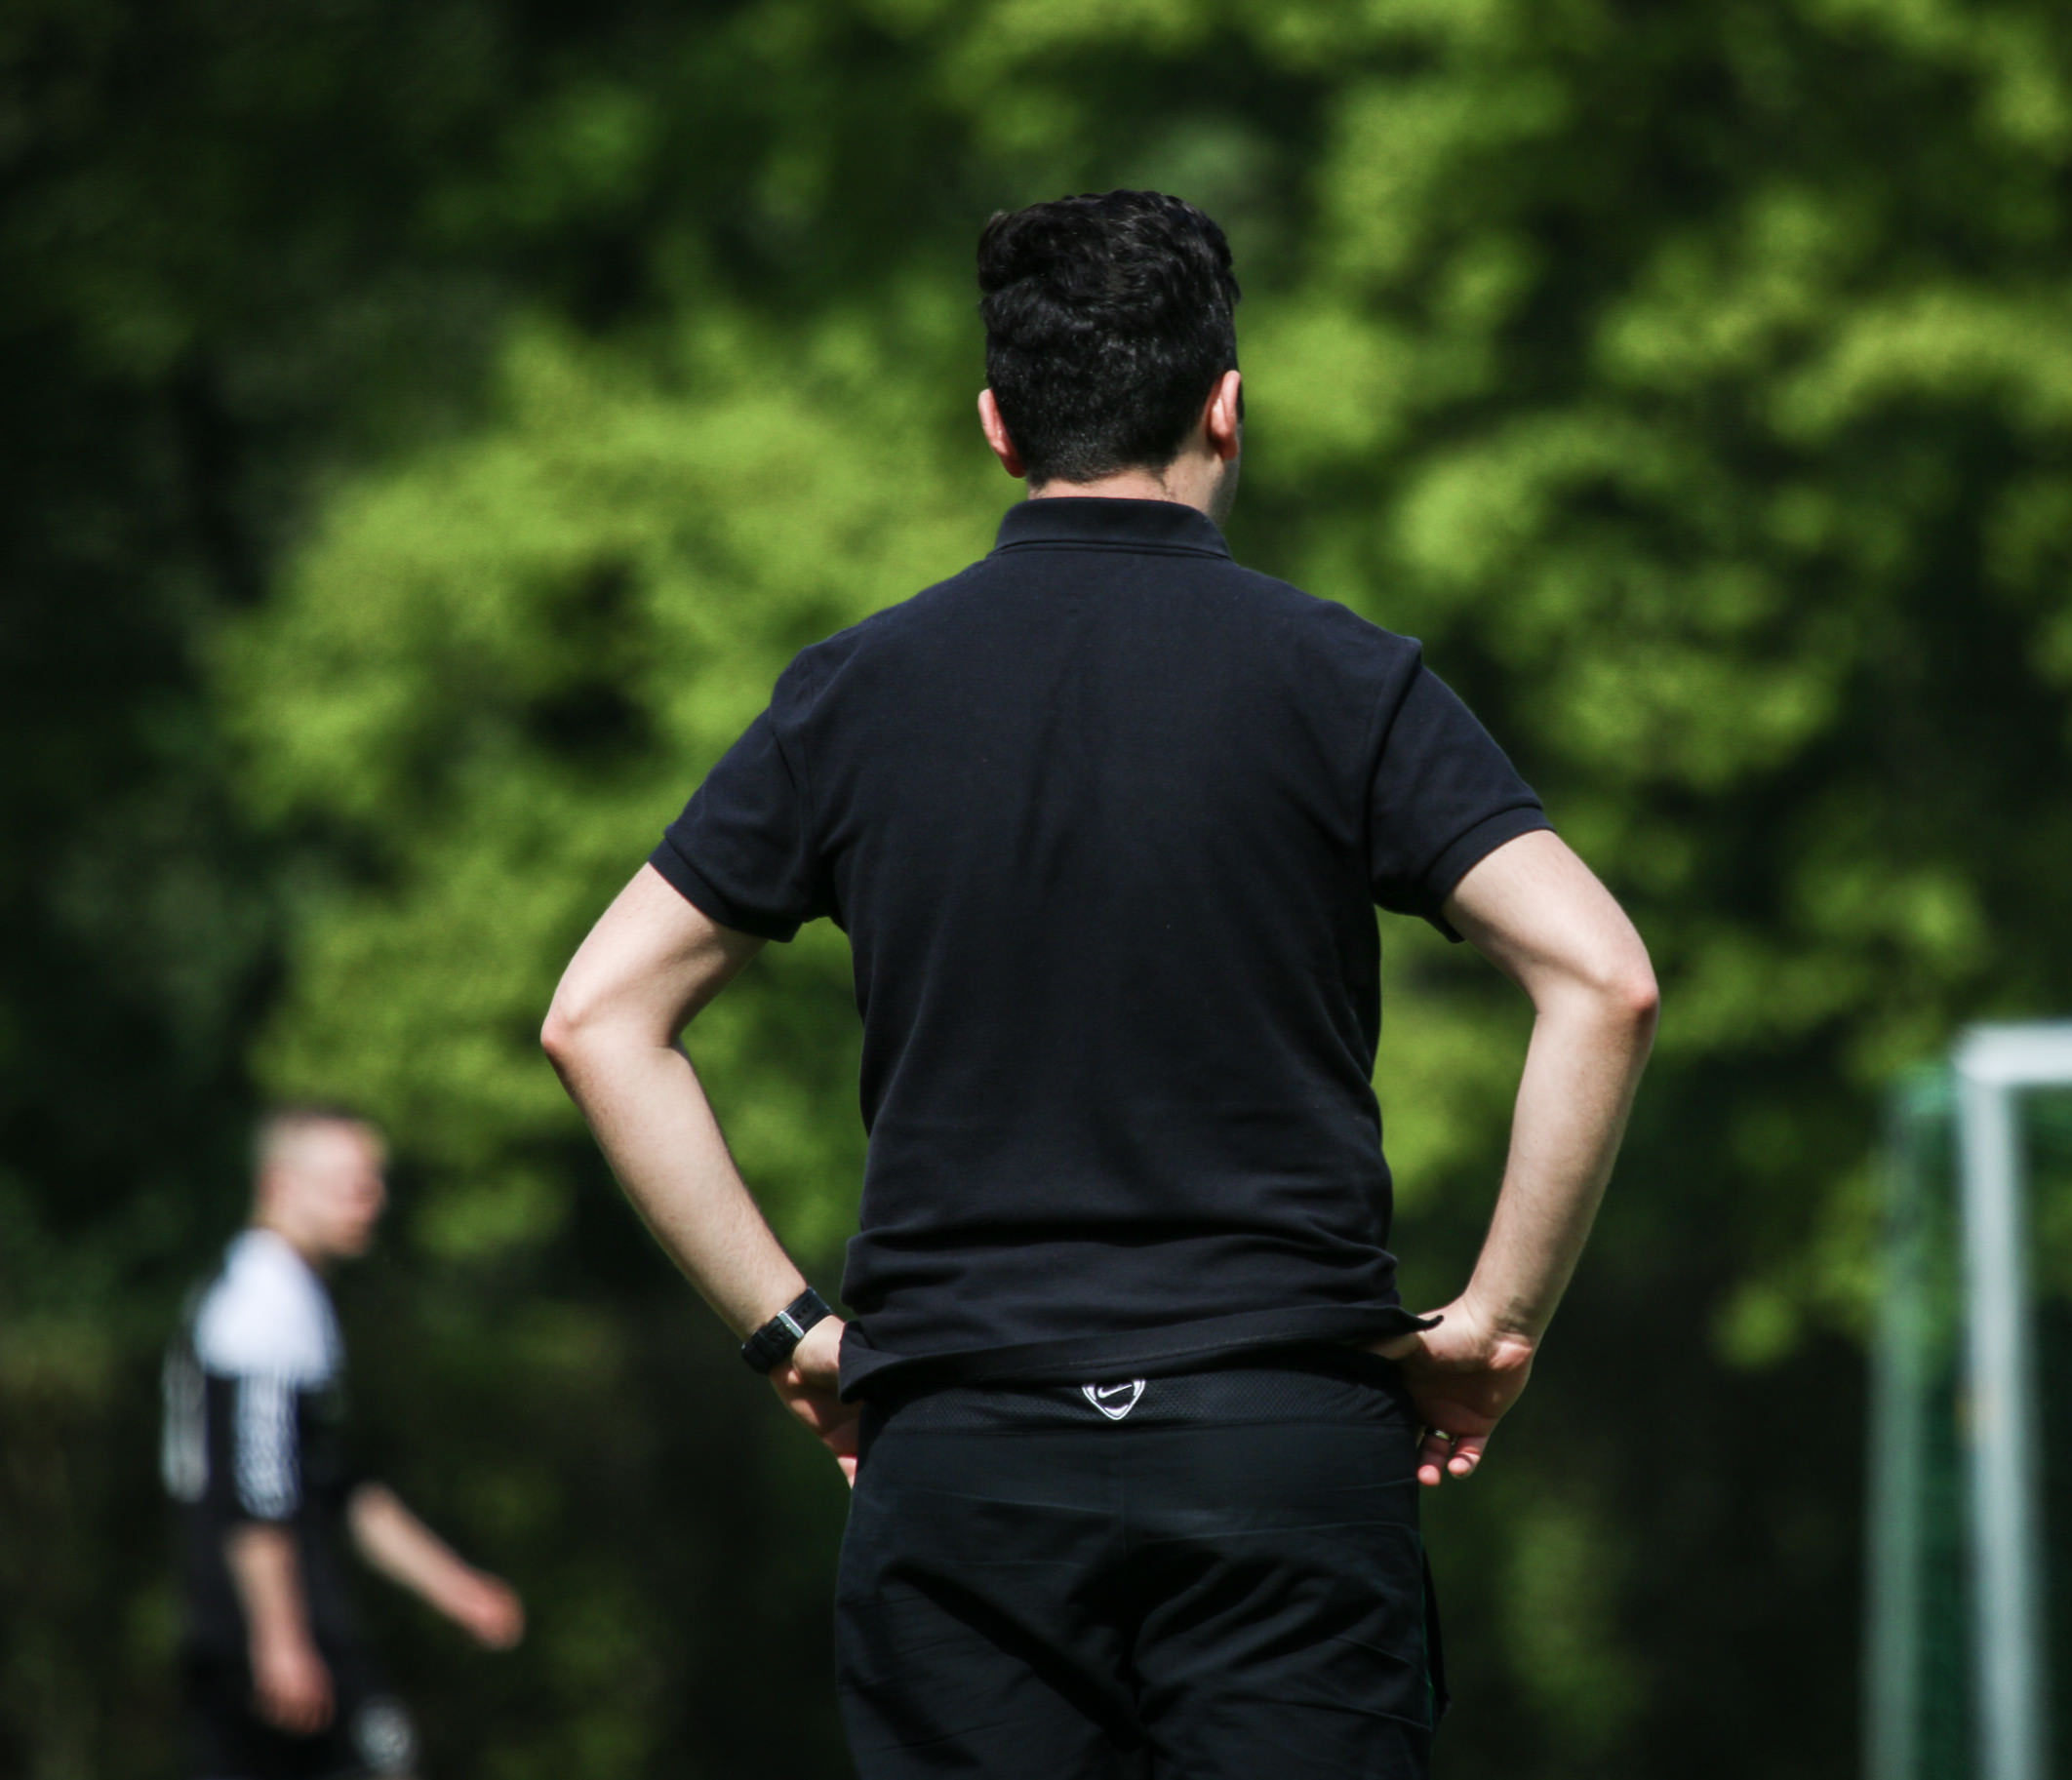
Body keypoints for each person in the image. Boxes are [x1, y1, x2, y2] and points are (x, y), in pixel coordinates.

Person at [538, 189, 1657, 1778]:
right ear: (1226, 407)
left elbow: (598, 1017)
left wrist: (792, 1334)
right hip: (1280, 1447)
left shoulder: (854, 695)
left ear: (997, 427)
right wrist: (1493, 1324)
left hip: (962, 1458)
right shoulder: (1345, 680)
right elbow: (1601, 979)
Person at [163, 1105, 526, 1780]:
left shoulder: (285, 1293)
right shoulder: (263, 1305)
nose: (373, 1200)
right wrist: (281, 1640)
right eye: (351, 1184)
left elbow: (333, 1482)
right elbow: (256, 1494)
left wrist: (456, 1588)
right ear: (279, 1185)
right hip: (267, 1631)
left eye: (374, 1182)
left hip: (263, 1628)